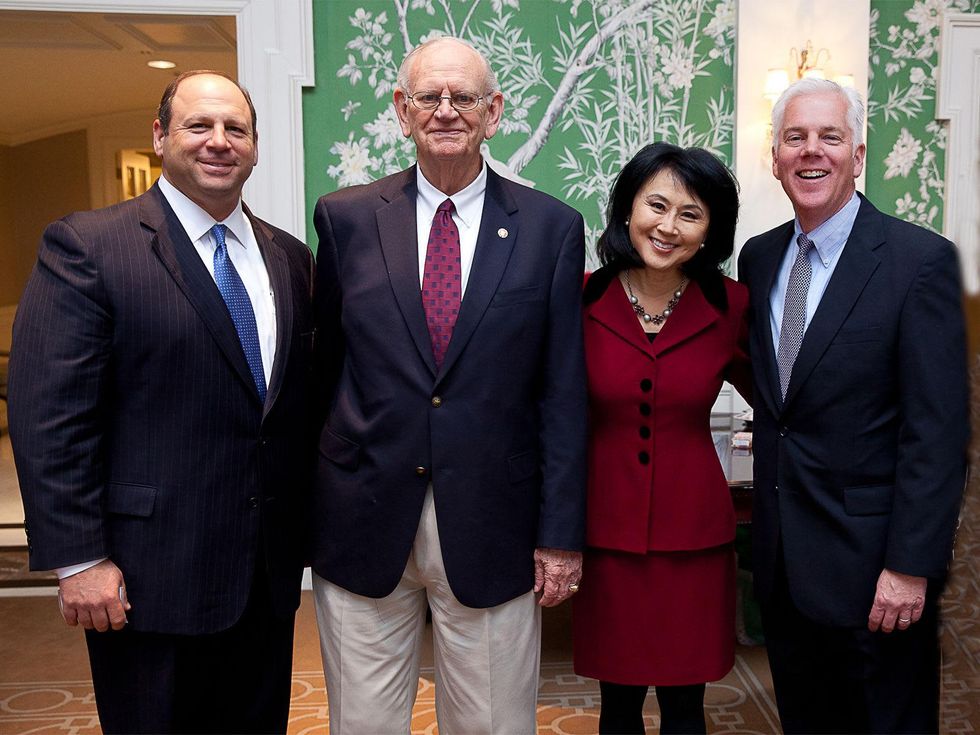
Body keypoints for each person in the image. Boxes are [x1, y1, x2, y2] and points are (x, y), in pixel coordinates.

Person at [7, 70, 315, 734]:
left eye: (236, 129)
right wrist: (79, 559)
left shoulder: (289, 258)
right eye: (198, 125)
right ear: (159, 136)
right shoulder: (89, 246)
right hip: (147, 578)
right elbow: (50, 415)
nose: (218, 142)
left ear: (256, 147)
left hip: (264, 576)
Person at [309, 36, 587, 734]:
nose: (445, 110)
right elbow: (323, 372)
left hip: (495, 519)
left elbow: (560, 390)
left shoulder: (551, 229)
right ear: (401, 112)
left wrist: (560, 535)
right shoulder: (344, 219)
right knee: (362, 724)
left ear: (494, 112)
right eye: (428, 97)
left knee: (494, 723)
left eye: (463, 97)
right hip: (362, 514)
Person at [737, 78, 969, 734]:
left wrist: (909, 565)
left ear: (858, 154)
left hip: (876, 573)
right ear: (776, 155)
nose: (813, 151)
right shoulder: (759, 259)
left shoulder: (919, 262)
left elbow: (937, 432)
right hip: (784, 568)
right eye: (795, 137)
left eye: (829, 137)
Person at [572, 142, 751, 734]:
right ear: (628, 209)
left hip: (694, 543)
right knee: (617, 705)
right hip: (607, 535)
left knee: (685, 706)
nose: (668, 226)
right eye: (657, 205)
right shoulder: (580, 297)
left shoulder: (732, 307)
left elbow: (786, 407)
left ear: (710, 231)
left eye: (691, 214)